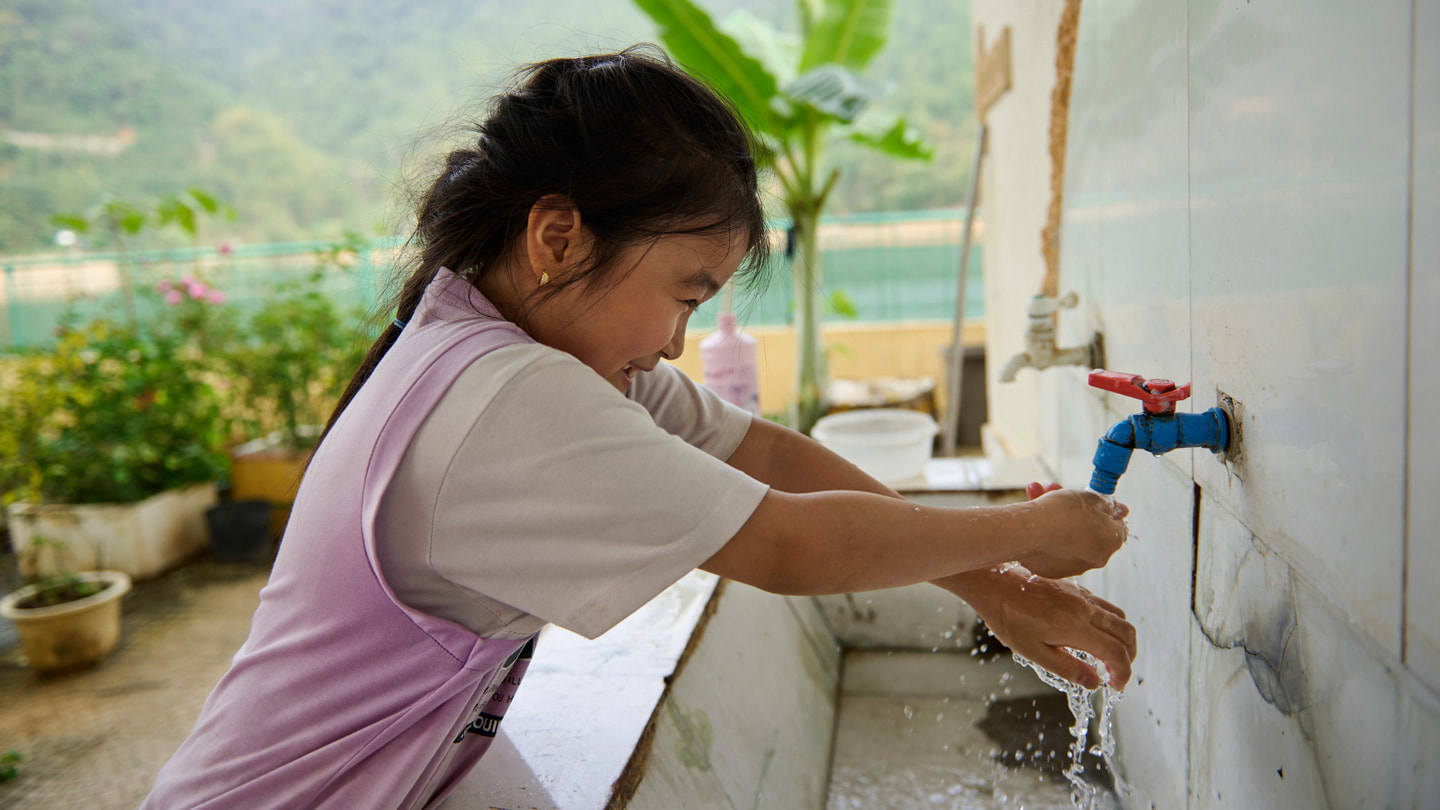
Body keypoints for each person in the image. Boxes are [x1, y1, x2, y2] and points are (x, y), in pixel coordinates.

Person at [143, 46, 1135, 809]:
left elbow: (765, 453)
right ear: (557, 237)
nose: (674, 343)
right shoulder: (506, 399)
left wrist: (991, 587)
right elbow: (785, 543)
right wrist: (1020, 535)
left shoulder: (510, 343)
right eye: (685, 294)